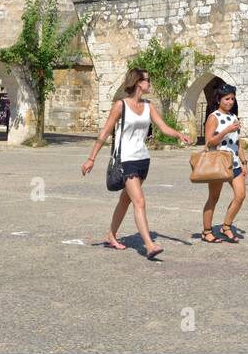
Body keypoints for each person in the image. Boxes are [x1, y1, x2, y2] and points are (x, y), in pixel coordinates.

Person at [81, 68, 191, 260]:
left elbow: (163, 127)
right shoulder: (120, 105)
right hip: (126, 160)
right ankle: (149, 245)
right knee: (139, 201)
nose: (150, 84)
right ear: (139, 82)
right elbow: (104, 133)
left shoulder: (149, 106)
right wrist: (91, 158)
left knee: (126, 200)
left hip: (143, 159)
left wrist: (179, 134)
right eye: (147, 80)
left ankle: (111, 236)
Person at [200, 84, 247, 243]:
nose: (230, 102)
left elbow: (238, 142)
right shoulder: (213, 117)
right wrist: (226, 130)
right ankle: (206, 231)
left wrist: (244, 162)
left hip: (234, 163)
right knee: (214, 197)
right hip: (218, 162)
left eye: (232, 99)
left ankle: (226, 226)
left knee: (240, 196)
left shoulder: (234, 117)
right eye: (227, 99)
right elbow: (209, 142)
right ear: (219, 99)